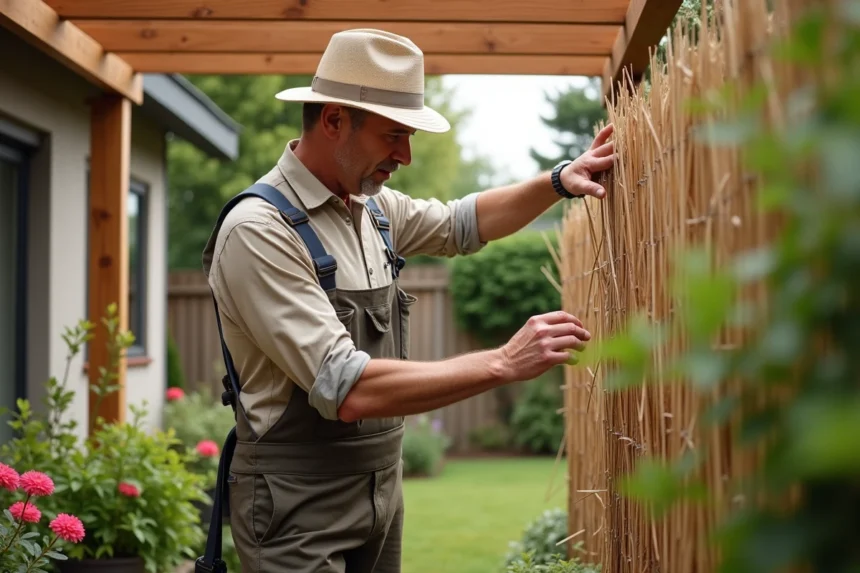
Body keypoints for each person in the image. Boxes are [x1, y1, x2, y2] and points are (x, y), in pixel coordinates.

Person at [196, 28, 615, 573]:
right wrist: (502, 363)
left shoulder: (371, 209)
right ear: (334, 121)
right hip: (295, 504)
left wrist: (559, 180)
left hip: (381, 489)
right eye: (394, 134)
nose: (407, 155)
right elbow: (344, 387)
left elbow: (463, 223)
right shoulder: (259, 230)